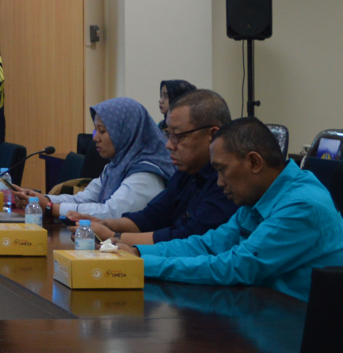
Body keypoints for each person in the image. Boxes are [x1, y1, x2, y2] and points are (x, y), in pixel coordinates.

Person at [119, 118, 343, 301]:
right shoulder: (260, 195)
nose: (219, 182)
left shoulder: (302, 206)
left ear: (254, 162)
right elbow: (209, 244)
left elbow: (238, 266)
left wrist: (142, 265)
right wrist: (139, 253)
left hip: (301, 326)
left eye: (222, 169)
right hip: (266, 309)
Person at [85, 89, 237, 246]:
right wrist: (107, 224)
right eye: (168, 135)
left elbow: (188, 239)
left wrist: (113, 237)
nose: (168, 144)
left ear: (212, 135)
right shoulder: (187, 172)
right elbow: (152, 217)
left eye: (178, 136)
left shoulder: (228, 181)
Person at [26, 97, 170, 221]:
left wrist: (51, 208)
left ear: (126, 132)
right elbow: (83, 199)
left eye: (102, 131)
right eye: (95, 130)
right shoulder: (116, 166)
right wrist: (40, 199)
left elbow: (110, 213)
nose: (95, 138)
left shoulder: (146, 174)